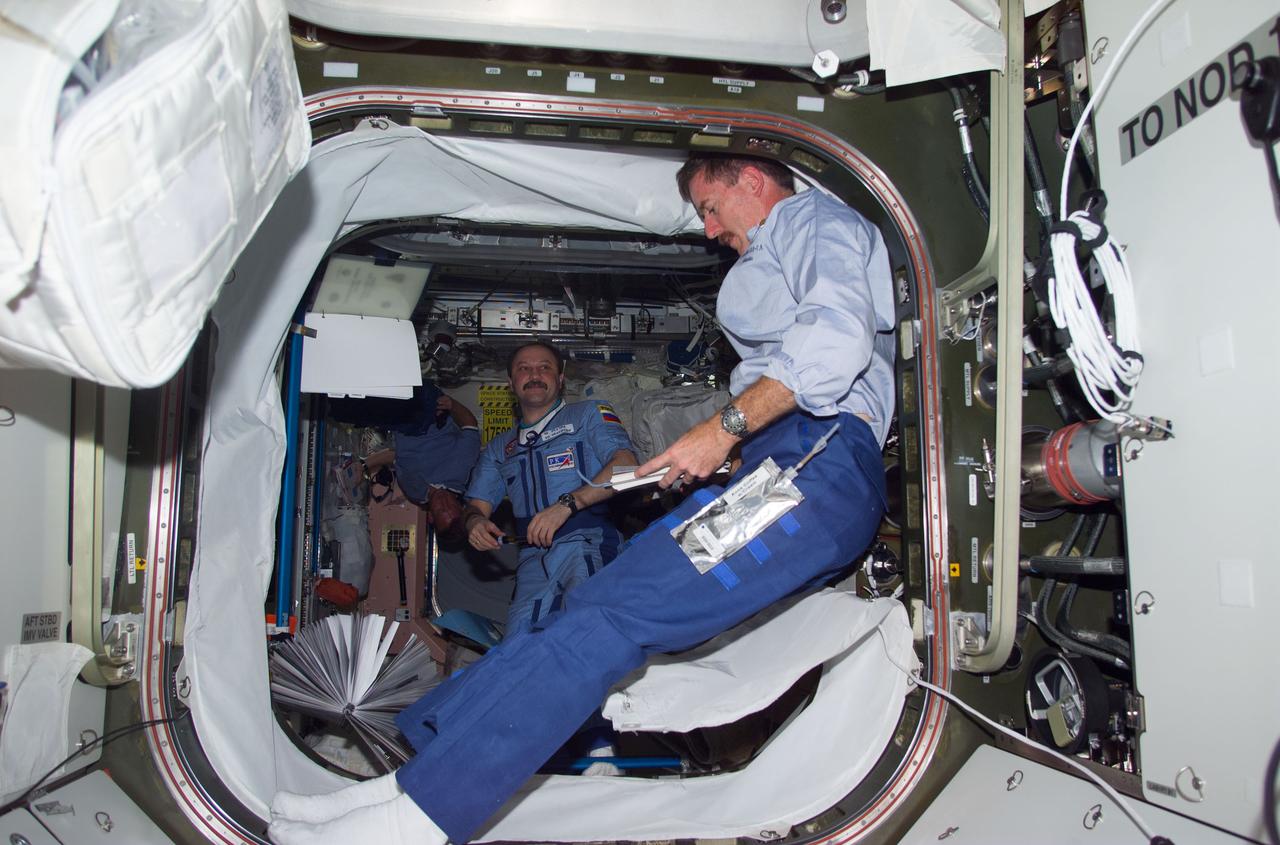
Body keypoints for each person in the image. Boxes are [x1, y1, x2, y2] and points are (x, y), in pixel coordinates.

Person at [267, 153, 896, 845]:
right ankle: (408, 777)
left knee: (611, 614)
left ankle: (419, 817)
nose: (710, 230)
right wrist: (726, 457)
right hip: (784, 466)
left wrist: (723, 431)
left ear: (751, 177)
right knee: (590, 611)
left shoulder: (816, 219)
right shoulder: (509, 449)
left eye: (711, 207)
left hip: (821, 462)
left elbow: (834, 346)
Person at [461, 340, 639, 635]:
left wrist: (567, 504)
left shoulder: (587, 415)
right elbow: (474, 505)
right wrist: (475, 522)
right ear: (510, 382)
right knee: (519, 650)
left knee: (588, 634)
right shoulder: (498, 448)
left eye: (545, 367)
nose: (534, 374)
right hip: (531, 561)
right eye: (524, 369)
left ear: (560, 379)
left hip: (586, 544)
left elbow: (627, 466)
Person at [350, 385, 481, 539]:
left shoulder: (415, 493)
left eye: (441, 510)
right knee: (376, 403)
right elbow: (470, 426)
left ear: (431, 517)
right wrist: (451, 404)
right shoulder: (461, 470)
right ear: (460, 506)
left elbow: (398, 456)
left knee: (346, 410)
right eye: (451, 506)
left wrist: (365, 465)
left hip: (396, 423)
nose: (444, 502)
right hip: (425, 413)